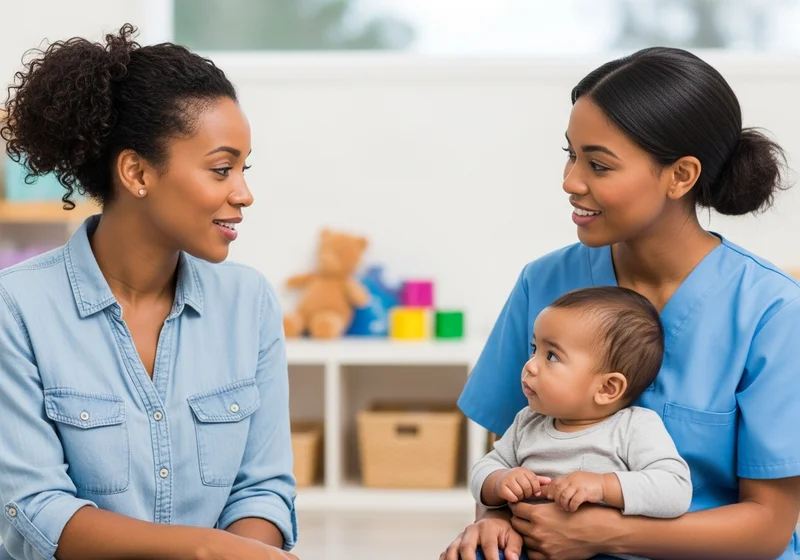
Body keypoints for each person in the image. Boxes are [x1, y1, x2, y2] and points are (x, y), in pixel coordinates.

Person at [442, 46, 800, 560]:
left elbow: (768, 527)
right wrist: (494, 521)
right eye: (570, 154)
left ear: (680, 176)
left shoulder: (773, 312)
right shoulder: (544, 282)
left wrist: (603, 535)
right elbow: (510, 455)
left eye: (599, 165)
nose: (570, 181)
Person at [0, 24, 299, 560]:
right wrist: (207, 551)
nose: (245, 194)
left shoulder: (248, 302)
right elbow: (37, 508)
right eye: (222, 169)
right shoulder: (16, 308)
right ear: (137, 172)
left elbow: (263, 489)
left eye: (244, 169)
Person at [470, 287, 691, 560]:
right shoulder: (528, 421)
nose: (530, 365)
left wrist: (603, 486)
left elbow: (675, 488)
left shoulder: (634, 427)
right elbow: (485, 467)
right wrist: (499, 480)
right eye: (534, 349)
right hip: (527, 547)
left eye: (551, 356)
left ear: (608, 388)